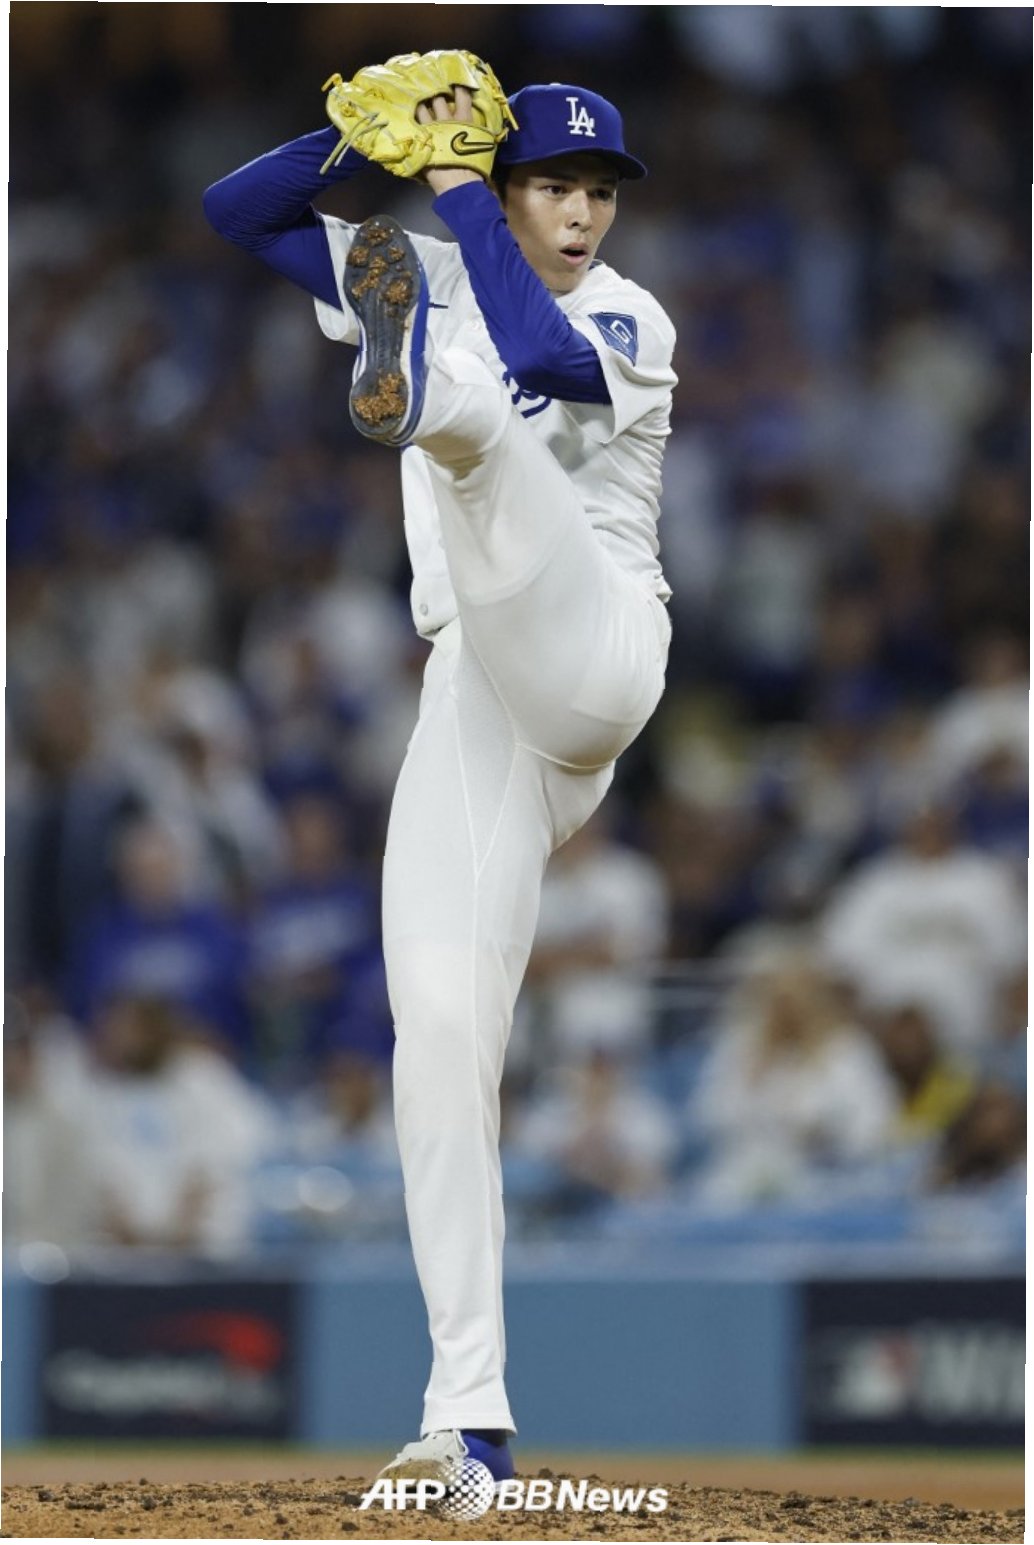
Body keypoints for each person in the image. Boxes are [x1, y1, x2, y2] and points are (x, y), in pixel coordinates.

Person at [204, 57, 675, 1482]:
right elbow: (239, 210)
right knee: (442, 1030)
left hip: (591, 644)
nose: (581, 211)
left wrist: (465, 191)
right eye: (553, 185)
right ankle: (467, 1416)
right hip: (473, 690)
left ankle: (420, 398)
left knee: (478, 403)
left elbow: (542, 358)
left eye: (597, 191)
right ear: (512, 182)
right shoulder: (422, 258)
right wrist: (362, 140)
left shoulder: (626, 309)